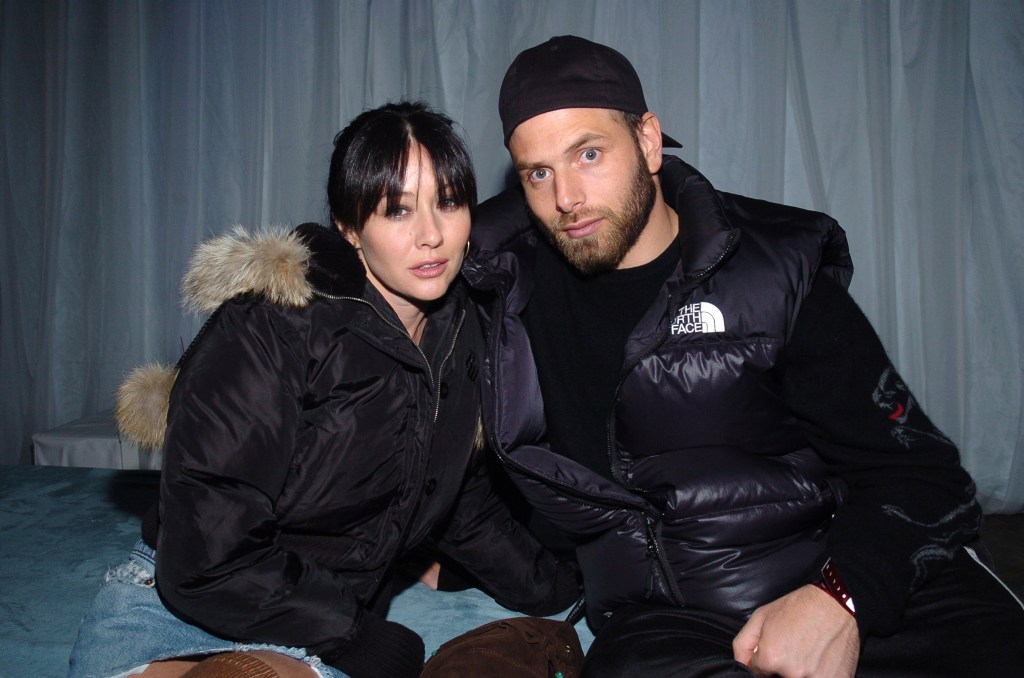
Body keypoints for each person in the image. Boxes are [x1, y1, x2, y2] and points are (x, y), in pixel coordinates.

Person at [461, 35, 1024, 677]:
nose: (566, 198)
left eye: (588, 153)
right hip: (671, 619)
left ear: (648, 140)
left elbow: (925, 477)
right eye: (539, 172)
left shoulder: (773, 271)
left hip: (834, 571)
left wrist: (841, 598)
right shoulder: (503, 287)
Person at [67, 101, 578, 678]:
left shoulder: (465, 332)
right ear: (349, 229)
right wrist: (358, 638)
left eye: (449, 203)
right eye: (396, 211)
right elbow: (208, 555)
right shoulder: (271, 326)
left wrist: (556, 585)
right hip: (183, 601)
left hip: (305, 622)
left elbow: (458, 496)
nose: (431, 235)